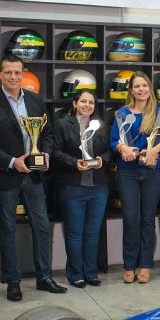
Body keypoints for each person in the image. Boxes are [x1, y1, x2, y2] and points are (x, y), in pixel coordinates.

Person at [0, 54, 66, 301]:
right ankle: (13, 282)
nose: (13, 77)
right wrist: (12, 161)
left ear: (22, 72)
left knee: (41, 226)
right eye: (8, 72)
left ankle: (44, 277)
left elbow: (47, 134)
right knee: (8, 229)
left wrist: (45, 154)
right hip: (6, 176)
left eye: (17, 72)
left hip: (34, 177)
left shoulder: (35, 100)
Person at [111, 71, 160, 284]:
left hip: (153, 171)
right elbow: (114, 140)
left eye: (144, 85)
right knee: (131, 219)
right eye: (137, 86)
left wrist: (154, 150)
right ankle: (129, 265)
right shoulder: (121, 114)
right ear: (131, 90)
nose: (141, 89)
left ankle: (145, 265)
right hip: (127, 172)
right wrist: (122, 148)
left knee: (147, 219)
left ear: (150, 88)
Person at [52, 89, 110, 288]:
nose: (87, 105)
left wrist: (102, 160)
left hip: (98, 187)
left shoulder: (100, 125)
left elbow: (110, 151)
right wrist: (73, 162)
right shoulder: (62, 124)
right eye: (83, 101)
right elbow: (55, 152)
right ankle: (75, 274)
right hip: (72, 187)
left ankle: (91, 273)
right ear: (75, 103)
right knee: (74, 233)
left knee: (93, 233)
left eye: (91, 102)